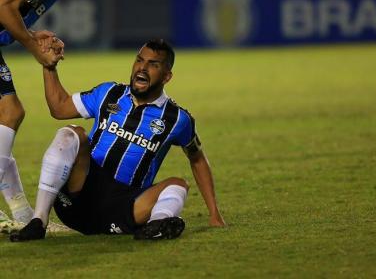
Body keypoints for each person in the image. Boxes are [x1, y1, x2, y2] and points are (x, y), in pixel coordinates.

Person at [10, 39, 225, 241]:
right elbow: (59, 107)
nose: (142, 68)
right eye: (139, 60)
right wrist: (49, 67)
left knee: (178, 185)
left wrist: (214, 213)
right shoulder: (109, 93)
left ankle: (157, 225)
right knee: (72, 133)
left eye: (152, 64)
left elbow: (197, 159)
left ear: (167, 76)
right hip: (79, 195)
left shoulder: (178, 119)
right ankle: (39, 220)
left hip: (124, 207)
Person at [0, 0, 120, 232]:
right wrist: (31, 46)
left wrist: (31, 34)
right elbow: (4, 5)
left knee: (6, 116)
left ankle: (24, 216)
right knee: (10, 112)